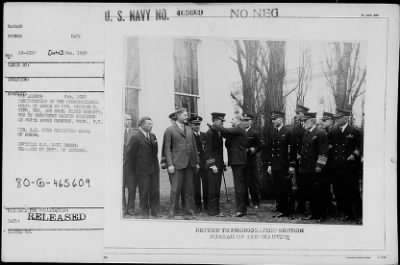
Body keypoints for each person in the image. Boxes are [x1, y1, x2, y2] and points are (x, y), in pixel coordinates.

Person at [163, 108, 200, 218]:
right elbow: (167, 149)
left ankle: (189, 210)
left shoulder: (189, 129)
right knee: (175, 189)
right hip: (176, 164)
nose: (186, 117)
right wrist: (170, 164)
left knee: (189, 189)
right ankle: (172, 211)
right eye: (184, 115)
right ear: (178, 115)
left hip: (189, 164)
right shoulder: (169, 130)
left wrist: (197, 162)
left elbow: (194, 147)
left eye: (186, 115)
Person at [209, 115, 248, 217]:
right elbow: (225, 134)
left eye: (233, 119)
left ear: (239, 121)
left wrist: (213, 126)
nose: (231, 121)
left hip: (238, 161)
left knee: (239, 186)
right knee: (239, 185)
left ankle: (240, 210)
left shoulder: (239, 128)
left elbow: (225, 130)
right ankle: (242, 208)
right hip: (237, 161)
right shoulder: (237, 131)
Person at [328, 108, 362, 222]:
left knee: (352, 190)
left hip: (350, 166)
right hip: (337, 166)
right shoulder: (333, 131)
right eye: (336, 118)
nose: (336, 120)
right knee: (339, 190)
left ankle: (358, 214)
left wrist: (354, 155)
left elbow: (361, 147)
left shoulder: (355, 131)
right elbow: (328, 146)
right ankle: (345, 212)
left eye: (339, 118)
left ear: (346, 118)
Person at [298, 112, 329, 221]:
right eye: (303, 121)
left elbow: (324, 152)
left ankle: (322, 215)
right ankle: (314, 213)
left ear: (312, 121)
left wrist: (320, 165)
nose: (304, 124)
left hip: (316, 168)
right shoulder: (306, 133)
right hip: (307, 167)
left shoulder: (320, 133)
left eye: (306, 121)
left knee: (319, 192)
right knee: (310, 192)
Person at [127, 117, 160, 218]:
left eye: (151, 123)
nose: (151, 125)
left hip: (154, 169)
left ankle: (154, 211)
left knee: (154, 191)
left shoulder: (153, 136)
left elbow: (155, 152)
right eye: (149, 124)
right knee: (144, 191)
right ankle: (144, 212)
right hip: (142, 170)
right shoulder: (136, 138)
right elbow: (130, 155)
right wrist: (137, 169)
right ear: (141, 125)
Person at [265, 111, 296, 218]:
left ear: (281, 119)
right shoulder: (273, 132)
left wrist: (292, 165)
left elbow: (293, 150)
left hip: (284, 165)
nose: (273, 121)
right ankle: (281, 208)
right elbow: (270, 150)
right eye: (272, 119)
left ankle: (289, 210)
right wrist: (269, 165)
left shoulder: (288, 132)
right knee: (278, 187)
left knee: (286, 188)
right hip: (275, 165)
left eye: (275, 119)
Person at [204, 112, 226, 217]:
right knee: (213, 189)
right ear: (215, 121)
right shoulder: (210, 133)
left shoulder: (217, 132)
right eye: (221, 121)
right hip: (213, 166)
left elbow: (218, 151)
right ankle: (213, 211)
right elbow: (208, 151)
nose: (222, 123)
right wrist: (212, 165)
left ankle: (215, 210)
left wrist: (222, 164)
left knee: (216, 188)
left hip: (218, 165)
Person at [290, 104, 309, 214]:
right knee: (299, 182)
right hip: (298, 160)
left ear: (304, 114)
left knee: (309, 182)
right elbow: (293, 144)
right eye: (296, 113)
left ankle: (311, 206)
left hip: (308, 159)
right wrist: (295, 156)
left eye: (299, 113)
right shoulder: (295, 128)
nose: (297, 115)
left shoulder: (310, 126)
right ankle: (301, 206)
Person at [242, 113, 262, 209]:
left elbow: (260, 146)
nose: (245, 122)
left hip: (251, 161)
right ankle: (245, 202)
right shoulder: (240, 132)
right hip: (242, 161)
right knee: (243, 183)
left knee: (253, 183)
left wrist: (252, 149)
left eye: (247, 120)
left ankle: (256, 202)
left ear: (251, 121)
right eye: (244, 120)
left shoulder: (254, 133)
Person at [189, 115, 208, 212]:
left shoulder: (205, 135)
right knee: (196, 186)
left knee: (206, 185)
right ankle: (198, 206)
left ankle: (207, 205)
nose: (197, 126)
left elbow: (209, 151)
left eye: (198, 124)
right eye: (194, 124)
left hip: (205, 164)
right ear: (190, 125)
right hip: (195, 164)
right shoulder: (189, 136)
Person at [123, 113, 138, 216]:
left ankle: (131, 208)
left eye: (131, 119)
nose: (129, 121)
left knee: (132, 188)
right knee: (120, 187)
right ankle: (123, 208)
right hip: (120, 166)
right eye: (127, 119)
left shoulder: (135, 133)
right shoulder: (115, 132)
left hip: (132, 166)